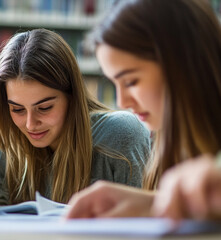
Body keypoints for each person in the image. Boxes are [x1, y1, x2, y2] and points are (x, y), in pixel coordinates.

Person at [0, 28, 151, 211]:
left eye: (44, 108)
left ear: (73, 97)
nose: (29, 124)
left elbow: (141, 222)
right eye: (17, 109)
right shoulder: (10, 137)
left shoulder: (120, 134)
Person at [65, 0, 221, 220]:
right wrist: (151, 204)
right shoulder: (170, 144)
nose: (122, 102)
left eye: (130, 81)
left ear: (180, 62)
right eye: (114, 84)